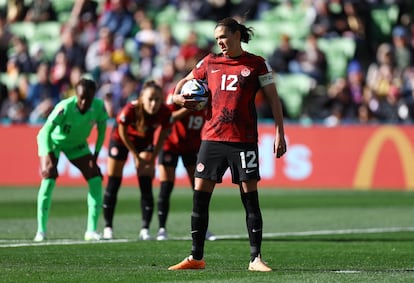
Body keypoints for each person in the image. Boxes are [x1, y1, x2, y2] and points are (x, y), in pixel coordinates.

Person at [168, 17, 286, 272]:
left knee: (250, 199)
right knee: (200, 198)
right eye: (217, 38)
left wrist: (280, 132)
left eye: (223, 37)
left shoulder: (256, 64)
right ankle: (195, 257)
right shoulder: (209, 62)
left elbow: (274, 100)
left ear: (236, 35)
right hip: (211, 139)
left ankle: (256, 259)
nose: (220, 42)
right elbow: (180, 85)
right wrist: (179, 98)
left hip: (243, 141)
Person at [102, 80, 179, 240]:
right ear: (142, 98)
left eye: (157, 99)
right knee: (114, 182)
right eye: (150, 99)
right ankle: (108, 227)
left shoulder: (164, 112)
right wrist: (136, 156)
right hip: (121, 141)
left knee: (145, 183)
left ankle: (145, 228)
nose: (154, 103)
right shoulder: (131, 109)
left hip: (144, 144)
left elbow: (163, 136)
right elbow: (122, 132)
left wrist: (152, 159)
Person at [33, 78, 108, 242]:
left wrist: (95, 156)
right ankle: (41, 231)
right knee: (49, 178)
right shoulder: (64, 107)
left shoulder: (99, 107)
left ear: (94, 96)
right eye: (81, 97)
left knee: (95, 177)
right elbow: (45, 132)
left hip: (77, 145)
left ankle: (91, 230)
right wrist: (48, 157)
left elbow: (102, 133)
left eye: (87, 98)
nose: (83, 102)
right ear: (76, 94)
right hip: (54, 142)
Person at [156, 92, 216, 241]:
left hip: (192, 147)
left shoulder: (209, 97)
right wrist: (188, 107)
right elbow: (168, 118)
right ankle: (161, 229)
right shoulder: (177, 95)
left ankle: (203, 228)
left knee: (199, 189)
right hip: (171, 145)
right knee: (166, 186)